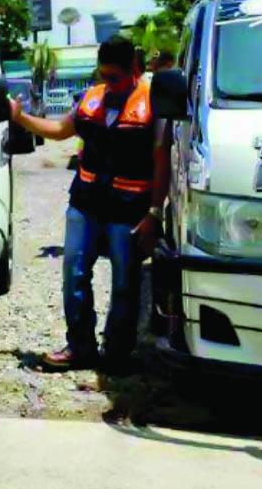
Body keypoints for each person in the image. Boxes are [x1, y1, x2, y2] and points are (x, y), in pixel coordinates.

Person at [9, 36, 170, 372]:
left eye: (115, 77)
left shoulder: (152, 104)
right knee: (74, 274)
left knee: (126, 282)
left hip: (129, 209)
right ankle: (80, 348)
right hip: (85, 204)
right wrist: (20, 117)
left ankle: (117, 353)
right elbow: (57, 130)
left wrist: (155, 213)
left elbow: (161, 162)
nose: (108, 84)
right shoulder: (91, 99)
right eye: (103, 75)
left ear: (135, 70)